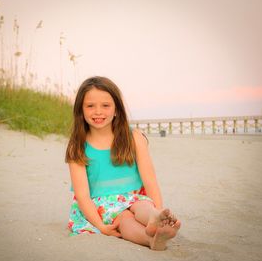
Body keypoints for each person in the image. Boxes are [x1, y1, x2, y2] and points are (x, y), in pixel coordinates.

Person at [65, 76, 181, 250]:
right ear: (81, 110)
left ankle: (155, 220)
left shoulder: (134, 137)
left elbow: (149, 179)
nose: (98, 111)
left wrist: (158, 208)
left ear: (117, 109)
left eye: (105, 105)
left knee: (142, 205)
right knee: (124, 219)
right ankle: (151, 240)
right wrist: (101, 226)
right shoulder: (78, 146)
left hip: (134, 197)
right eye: (90, 106)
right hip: (99, 205)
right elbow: (82, 195)